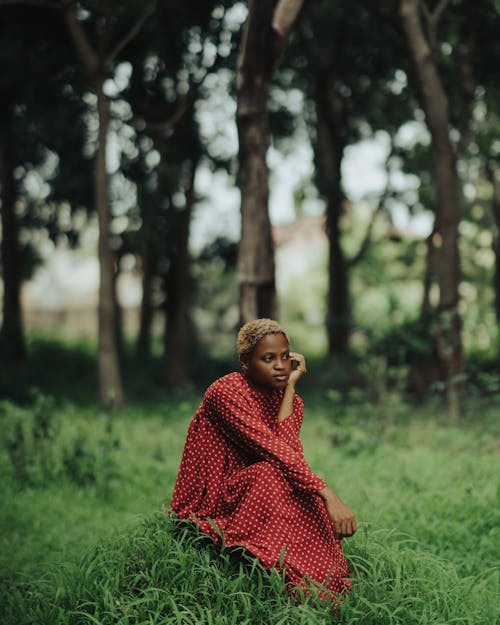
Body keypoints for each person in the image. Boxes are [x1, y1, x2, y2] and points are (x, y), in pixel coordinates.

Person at [170, 318, 356, 600]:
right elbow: (271, 449)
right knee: (272, 474)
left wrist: (290, 389)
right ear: (246, 361)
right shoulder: (226, 392)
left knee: (294, 484)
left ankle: (319, 577)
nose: (280, 366)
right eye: (268, 359)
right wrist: (328, 493)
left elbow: (289, 451)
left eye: (284, 357)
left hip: (260, 485)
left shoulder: (289, 400)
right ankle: (284, 576)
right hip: (217, 494)